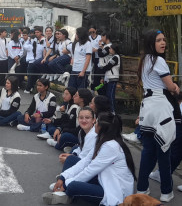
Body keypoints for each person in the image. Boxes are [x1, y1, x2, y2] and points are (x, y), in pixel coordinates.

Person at [42, 112, 136, 205]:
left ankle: (66, 194)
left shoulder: (111, 146)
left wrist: (66, 184)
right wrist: (63, 177)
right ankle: (66, 194)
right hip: (103, 180)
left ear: (102, 127)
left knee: (73, 186)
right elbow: (85, 162)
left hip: (113, 191)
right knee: (71, 161)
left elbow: (91, 169)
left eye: (96, 123)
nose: (95, 125)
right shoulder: (102, 140)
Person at [136, 30, 180, 202]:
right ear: (150, 43)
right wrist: (176, 87)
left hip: (147, 108)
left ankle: (142, 188)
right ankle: (166, 191)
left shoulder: (144, 60)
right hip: (161, 106)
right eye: (158, 40)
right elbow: (170, 87)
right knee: (164, 149)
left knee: (148, 150)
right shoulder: (159, 60)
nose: (163, 43)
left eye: (164, 39)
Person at [58, 107, 97, 172]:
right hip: (87, 162)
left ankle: (64, 179)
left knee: (71, 159)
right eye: (81, 118)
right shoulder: (81, 132)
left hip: (94, 167)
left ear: (94, 120)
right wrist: (73, 154)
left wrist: (69, 158)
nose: (84, 120)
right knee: (74, 150)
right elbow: (81, 148)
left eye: (87, 118)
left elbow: (84, 158)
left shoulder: (93, 135)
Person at [98, 43, 120, 114]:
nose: (109, 50)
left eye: (110, 48)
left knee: (110, 95)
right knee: (108, 95)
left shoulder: (116, 57)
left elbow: (108, 66)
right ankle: (110, 110)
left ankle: (113, 111)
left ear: (114, 49)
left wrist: (102, 68)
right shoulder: (111, 57)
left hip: (113, 78)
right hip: (108, 78)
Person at [89, 26, 103, 92]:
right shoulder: (88, 38)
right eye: (90, 32)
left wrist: (97, 50)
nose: (92, 33)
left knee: (97, 73)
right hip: (90, 57)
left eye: (93, 31)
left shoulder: (100, 37)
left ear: (96, 30)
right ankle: (92, 88)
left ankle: (97, 88)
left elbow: (102, 47)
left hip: (98, 57)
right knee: (91, 72)